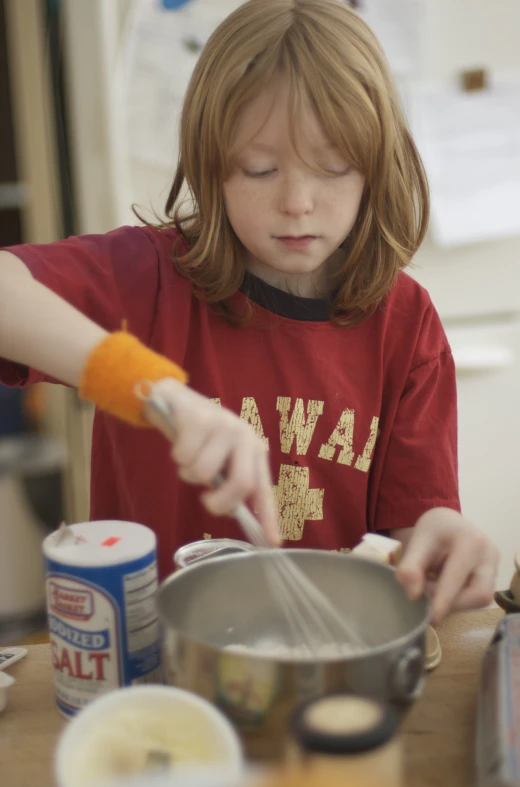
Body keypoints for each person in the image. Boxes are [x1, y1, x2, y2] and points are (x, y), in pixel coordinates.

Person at [0, 0, 498, 623]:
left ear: (376, 168)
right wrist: (153, 389)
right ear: (212, 168)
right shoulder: (147, 279)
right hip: (158, 656)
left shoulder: (406, 322)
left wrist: (444, 533)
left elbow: (410, 528)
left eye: (334, 167)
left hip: (329, 657)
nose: (297, 202)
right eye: (260, 169)